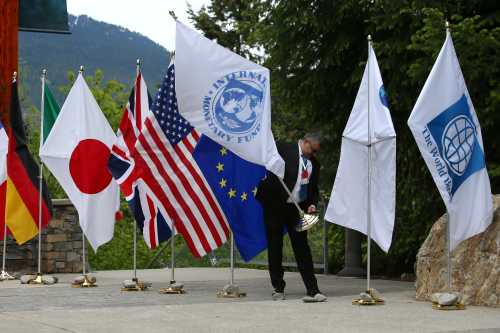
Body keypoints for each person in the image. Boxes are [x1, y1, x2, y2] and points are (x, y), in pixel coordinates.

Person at [256, 133, 327, 302]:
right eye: (311, 150)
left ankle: (312, 289)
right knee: (275, 245)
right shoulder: (282, 148)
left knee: (302, 247)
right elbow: (267, 163)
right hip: (275, 205)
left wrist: (312, 203)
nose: (312, 155)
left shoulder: (314, 164)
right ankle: (278, 287)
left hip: (297, 208)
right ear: (305, 141)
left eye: (315, 152)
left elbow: (313, 189)